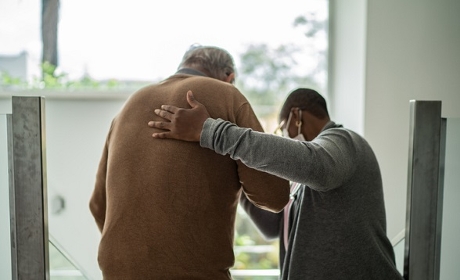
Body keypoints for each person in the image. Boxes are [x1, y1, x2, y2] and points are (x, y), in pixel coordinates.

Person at [148, 88, 404, 280]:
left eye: (283, 129)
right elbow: (274, 226)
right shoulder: (301, 183)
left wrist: (213, 132)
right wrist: (240, 170)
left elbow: (319, 168)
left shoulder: (344, 140)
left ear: (297, 116)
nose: (284, 136)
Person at [89, 45, 289, 279]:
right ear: (230, 78)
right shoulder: (227, 95)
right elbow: (273, 195)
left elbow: (97, 205)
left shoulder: (128, 107)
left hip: (117, 272)